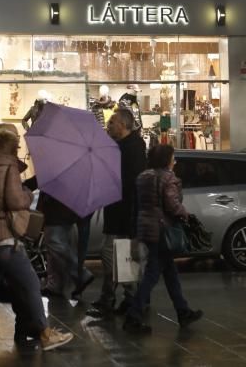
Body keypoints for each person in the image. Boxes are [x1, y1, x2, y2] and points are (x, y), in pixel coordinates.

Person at [0, 124, 73, 352]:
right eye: (17, 145)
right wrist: (28, 194)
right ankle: (46, 333)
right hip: (5, 239)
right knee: (31, 284)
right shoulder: (8, 169)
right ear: (10, 148)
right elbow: (15, 201)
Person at [124, 144, 203, 334]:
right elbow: (172, 205)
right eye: (172, 157)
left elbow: (137, 205)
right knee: (153, 273)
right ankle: (133, 315)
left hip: (146, 228)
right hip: (162, 230)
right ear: (166, 159)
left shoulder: (143, 177)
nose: (174, 160)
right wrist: (187, 215)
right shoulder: (168, 178)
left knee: (170, 272)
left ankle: (182, 310)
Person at [87, 108, 146, 319]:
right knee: (121, 256)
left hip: (124, 213)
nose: (108, 125)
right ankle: (127, 298)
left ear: (122, 125)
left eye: (112, 122)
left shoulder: (131, 148)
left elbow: (129, 181)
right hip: (119, 212)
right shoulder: (121, 146)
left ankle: (115, 298)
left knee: (114, 255)